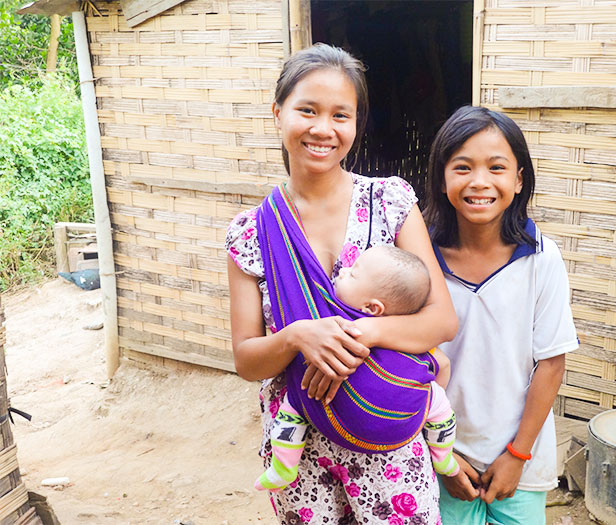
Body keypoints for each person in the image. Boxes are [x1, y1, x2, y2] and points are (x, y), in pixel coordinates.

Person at [226, 43, 458, 525]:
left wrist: (358, 335)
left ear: (355, 124)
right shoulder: (252, 233)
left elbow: (442, 321)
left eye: (341, 115)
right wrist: (297, 337)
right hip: (302, 456)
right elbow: (247, 360)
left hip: (389, 448)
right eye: (307, 110)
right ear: (278, 113)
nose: (323, 129)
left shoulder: (390, 203)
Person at [422, 106, 579, 525]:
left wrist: (517, 454)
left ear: (519, 179)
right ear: (441, 177)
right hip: (439, 459)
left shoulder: (541, 258)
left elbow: (551, 363)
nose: (479, 181)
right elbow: (402, 363)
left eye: (496, 167)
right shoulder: (420, 259)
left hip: (520, 463)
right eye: (462, 167)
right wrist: (442, 457)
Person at [255, 245, 459, 492]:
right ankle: (443, 455)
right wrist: (425, 398)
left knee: (295, 404)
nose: (342, 270)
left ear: (371, 308)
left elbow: (445, 338)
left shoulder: (334, 322)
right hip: (394, 443)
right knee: (439, 405)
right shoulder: (408, 337)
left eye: (352, 273)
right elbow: (441, 366)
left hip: (367, 448)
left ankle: (283, 467)